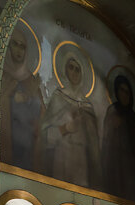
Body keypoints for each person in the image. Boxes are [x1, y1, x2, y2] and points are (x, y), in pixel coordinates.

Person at [40, 54, 100, 188]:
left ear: (82, 73)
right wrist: (66, 128)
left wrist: (85, 122)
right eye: (71, 68)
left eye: (77, 69)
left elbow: (93, 143)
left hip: (80, 157)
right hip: (62, 153)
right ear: (65, 70)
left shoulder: (87, 105)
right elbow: (44, 133)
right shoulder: (58, 97)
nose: (73, 72)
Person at [0, 27, 44, 171]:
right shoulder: (1, 75)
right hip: (6, 144)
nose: (19, 50)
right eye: (15, 44)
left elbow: (43, 116)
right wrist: (12, 99)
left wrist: (30, 97)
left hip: (28, 147)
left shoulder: (31, 81)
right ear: (8, 46)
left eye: (22, 46)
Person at [100, 75, 135, 203]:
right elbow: (106, 140)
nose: (125, 95)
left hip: (131, 169)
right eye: (122, 91)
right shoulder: (113, 111)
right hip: (115, 164)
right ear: (116, 92)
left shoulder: (134, 119)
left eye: (127, 92)